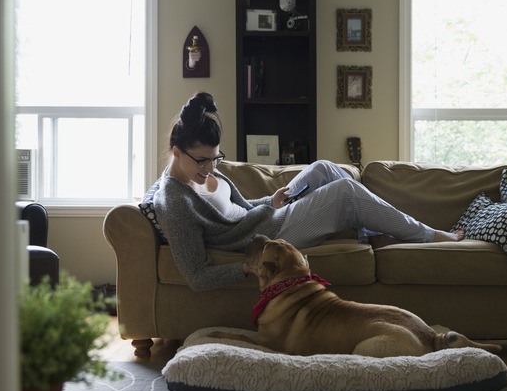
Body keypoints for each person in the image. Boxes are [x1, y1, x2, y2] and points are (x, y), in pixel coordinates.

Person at [152, 92, 462, 292]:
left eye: (215, 158)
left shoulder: (200, 170)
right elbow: (196, 275)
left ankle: (370, 234)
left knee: (323, 168)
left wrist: (270, 201)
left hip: (267, 219)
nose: (210, 168)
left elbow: (241, 210)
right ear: (177, 152)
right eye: (202, 160)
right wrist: (247, 267)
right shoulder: (175, 202)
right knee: (345, 193)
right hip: (266, 240)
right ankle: (430, 235)